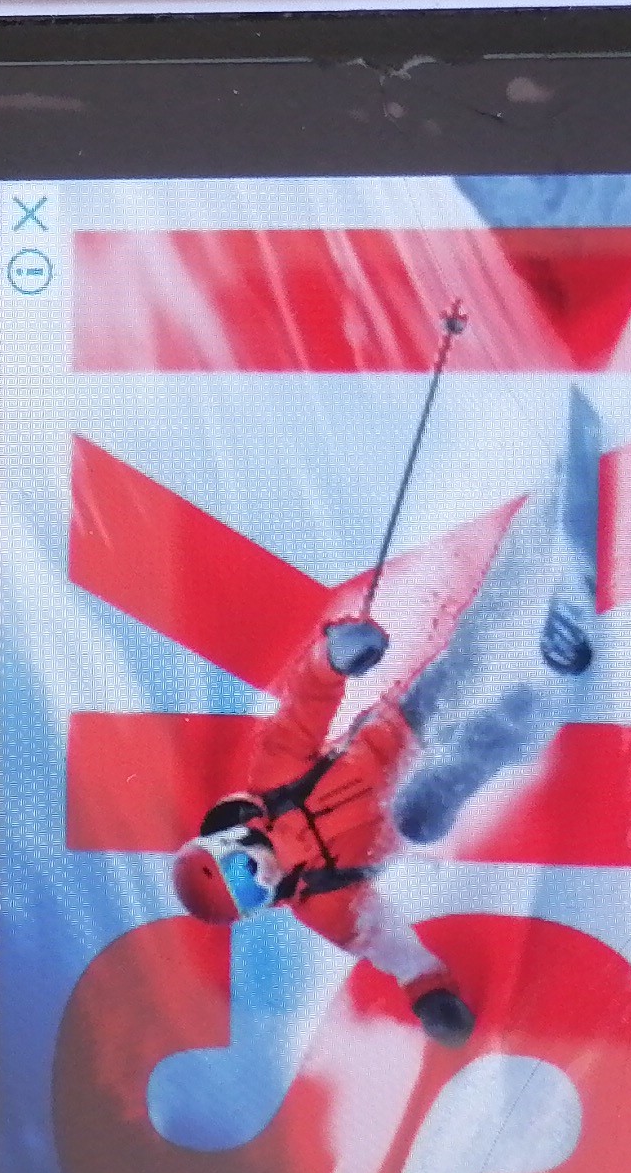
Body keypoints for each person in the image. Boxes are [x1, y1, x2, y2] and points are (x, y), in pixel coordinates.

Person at [170, 392, 603, 1046]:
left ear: (231, 842)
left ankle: (547, 519)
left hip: (406, 722)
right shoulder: (324, 904)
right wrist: (431, 996)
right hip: (417, 810)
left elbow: (304, 704)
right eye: (251, 895)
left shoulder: (274, 780)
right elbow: (391, 946)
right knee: (424, 806)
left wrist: (336, 656)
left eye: (240, 871)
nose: (260, 878)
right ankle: (549, 686)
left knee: (473, 644)